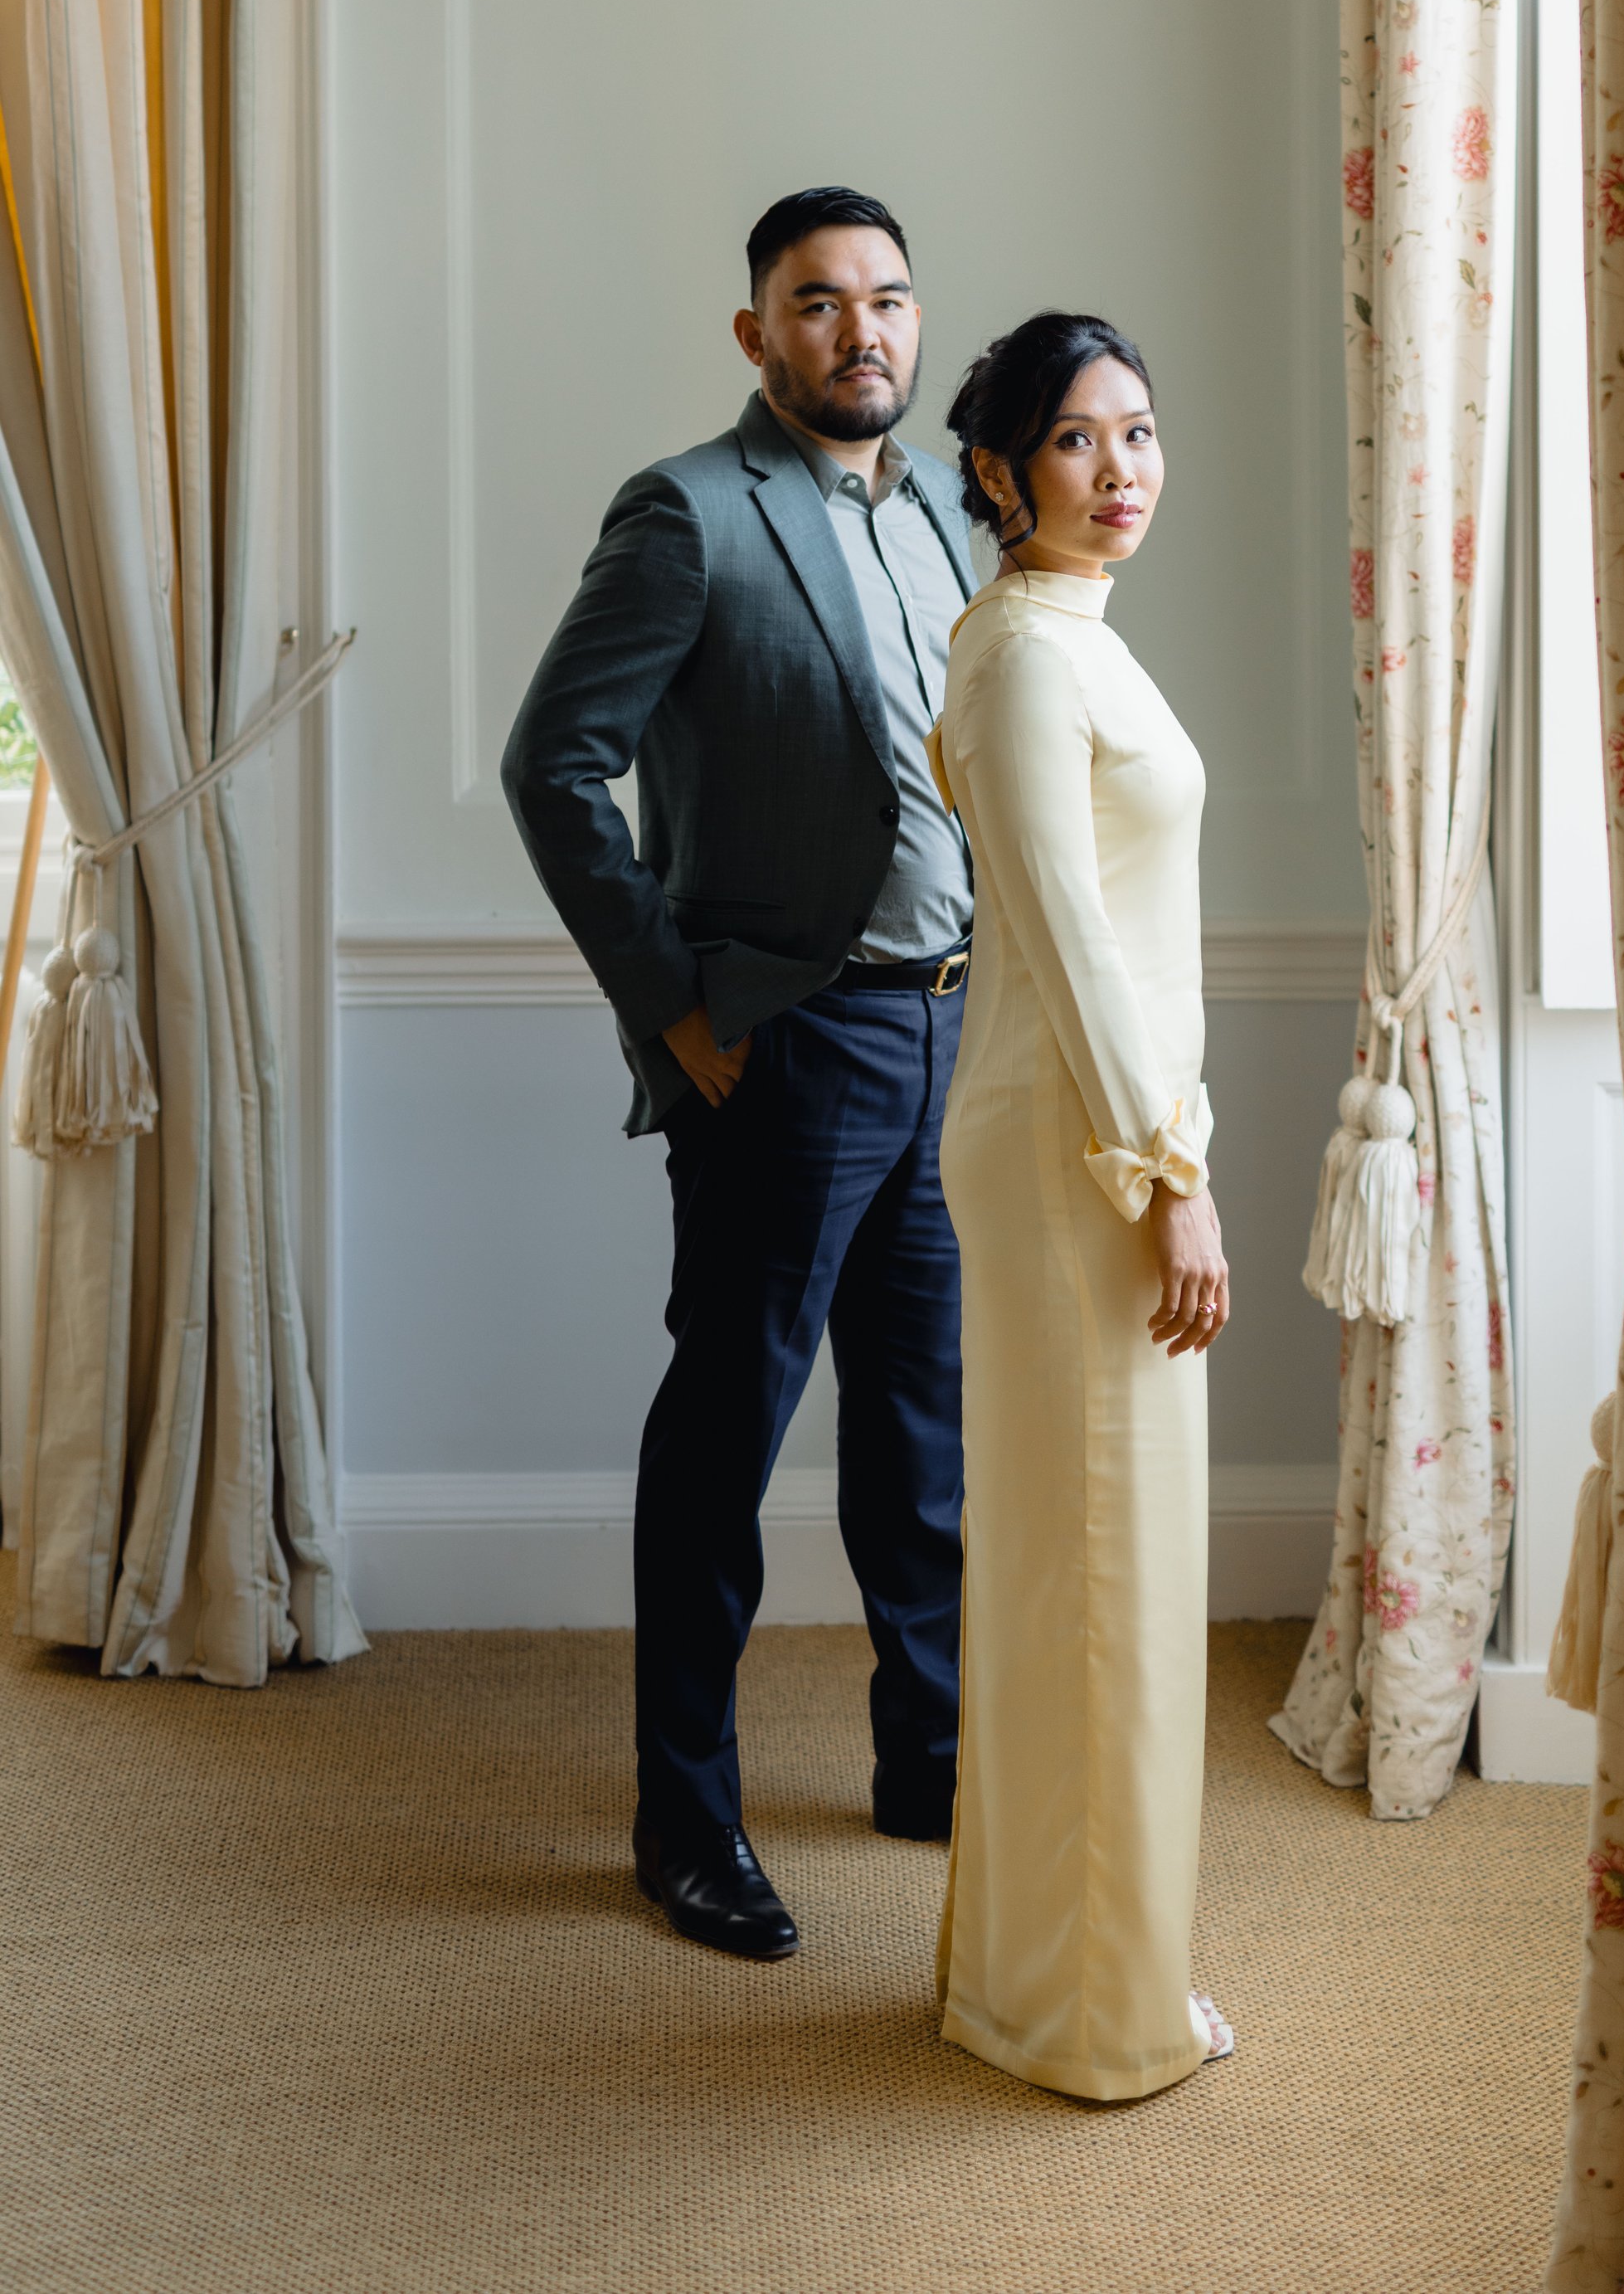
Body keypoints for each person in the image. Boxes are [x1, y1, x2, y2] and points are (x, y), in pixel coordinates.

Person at [501, 186, 975, 1963]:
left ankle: (928, 1761)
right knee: (726, 1441)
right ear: (755, 330)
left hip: (951, 1032)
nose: (861, 329)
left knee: (919, 1442)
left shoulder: (950, 507)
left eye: (887, 299)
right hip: (788, 1043)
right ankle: (684, 1823)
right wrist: (673, 1004)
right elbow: (554, 763)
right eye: (817, 300)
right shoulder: (689, 513)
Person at [928, 312, 1234, 2099]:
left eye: (1136, 430)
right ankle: (1091, 2011)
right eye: (1073, 440)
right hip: (1077, 1155)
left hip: (1102, 1138)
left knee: (1090, 1567)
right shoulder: (1023, 660)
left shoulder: (1066, 642)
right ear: (997, 472)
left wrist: (1166, 1148)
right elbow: (1062, 933)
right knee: (1099, 1573)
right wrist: (1167, 1175)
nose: (1119, 470)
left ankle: (1038, 1974)